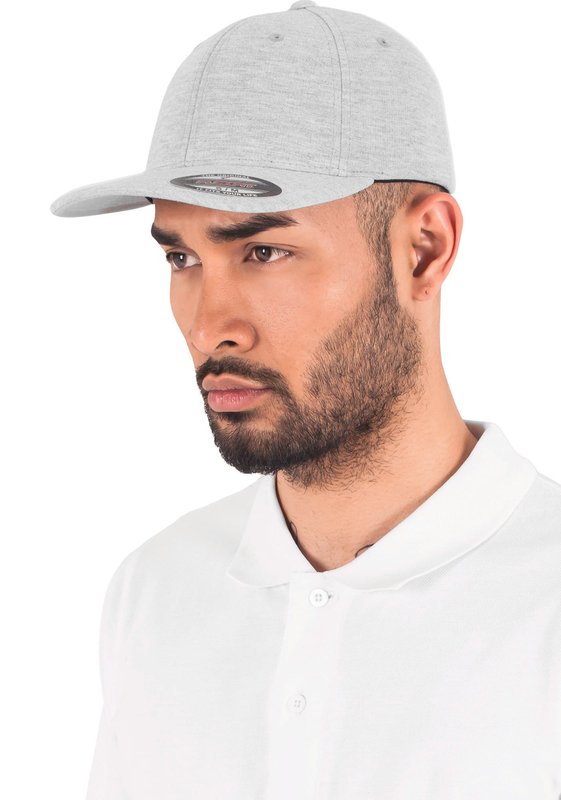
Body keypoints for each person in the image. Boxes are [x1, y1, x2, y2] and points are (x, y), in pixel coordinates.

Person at [50, 2, 561, 798]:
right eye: (181, 258)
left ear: (423, 249)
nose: (209, 326)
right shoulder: (157, 589)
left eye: (264, 250)